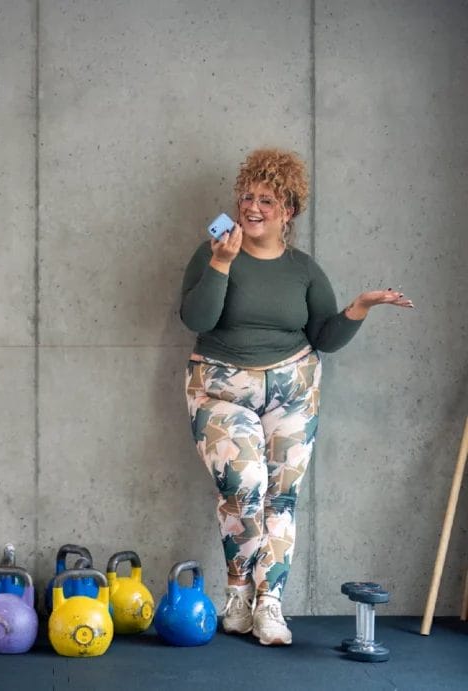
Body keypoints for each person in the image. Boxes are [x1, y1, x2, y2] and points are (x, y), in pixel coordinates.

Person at [179, 148, 413, 646]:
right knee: (243, 486)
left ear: (288, 212)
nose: (253, 206)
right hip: (221, 388)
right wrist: (221, 262)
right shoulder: (212, 252)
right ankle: (239, 588)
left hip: (294, 391)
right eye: (247, 196)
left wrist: (360, 307)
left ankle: (267, 605)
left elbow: (325, 335)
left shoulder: (303, 269)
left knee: (280, 500)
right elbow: (196, 319)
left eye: (267, 199)